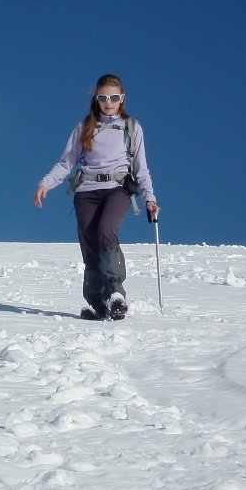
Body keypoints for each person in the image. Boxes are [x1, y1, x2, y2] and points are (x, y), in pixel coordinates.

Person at [34, 74, 159, 320]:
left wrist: (149, 198)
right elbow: (67, 161)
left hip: (118, 188)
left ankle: (115, 293)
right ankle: (98, 303)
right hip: (86, 192)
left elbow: (140, 168)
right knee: (90, 242)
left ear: (122, 98)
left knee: (106, 230)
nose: (108, 102)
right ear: (97, 99)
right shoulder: (85, 127)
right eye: (103, 97)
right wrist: (46, 184)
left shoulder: (131, 127)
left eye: (113, 97)